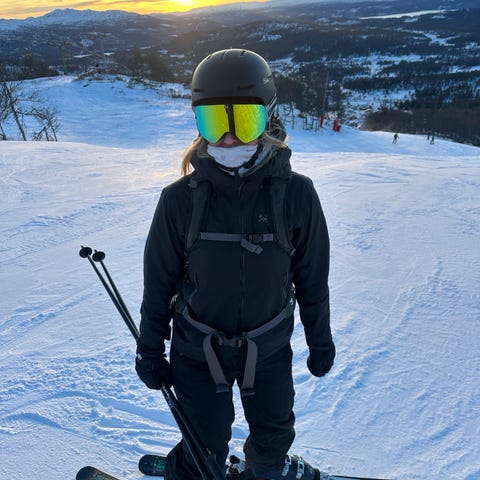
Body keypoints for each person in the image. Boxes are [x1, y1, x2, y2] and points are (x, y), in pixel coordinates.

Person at [135, 48, 335, 480]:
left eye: (242, 120)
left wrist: (320, 340)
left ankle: (267, 469)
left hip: (268, 349)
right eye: (213, 122)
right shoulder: (179, 200)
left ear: (268, 117)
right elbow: (159, 283)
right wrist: (149, 348)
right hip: (197, 350)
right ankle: (192, 467)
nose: (227, 139)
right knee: (202, 447)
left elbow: (312, 278)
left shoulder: (297, 195)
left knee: (273, 440)